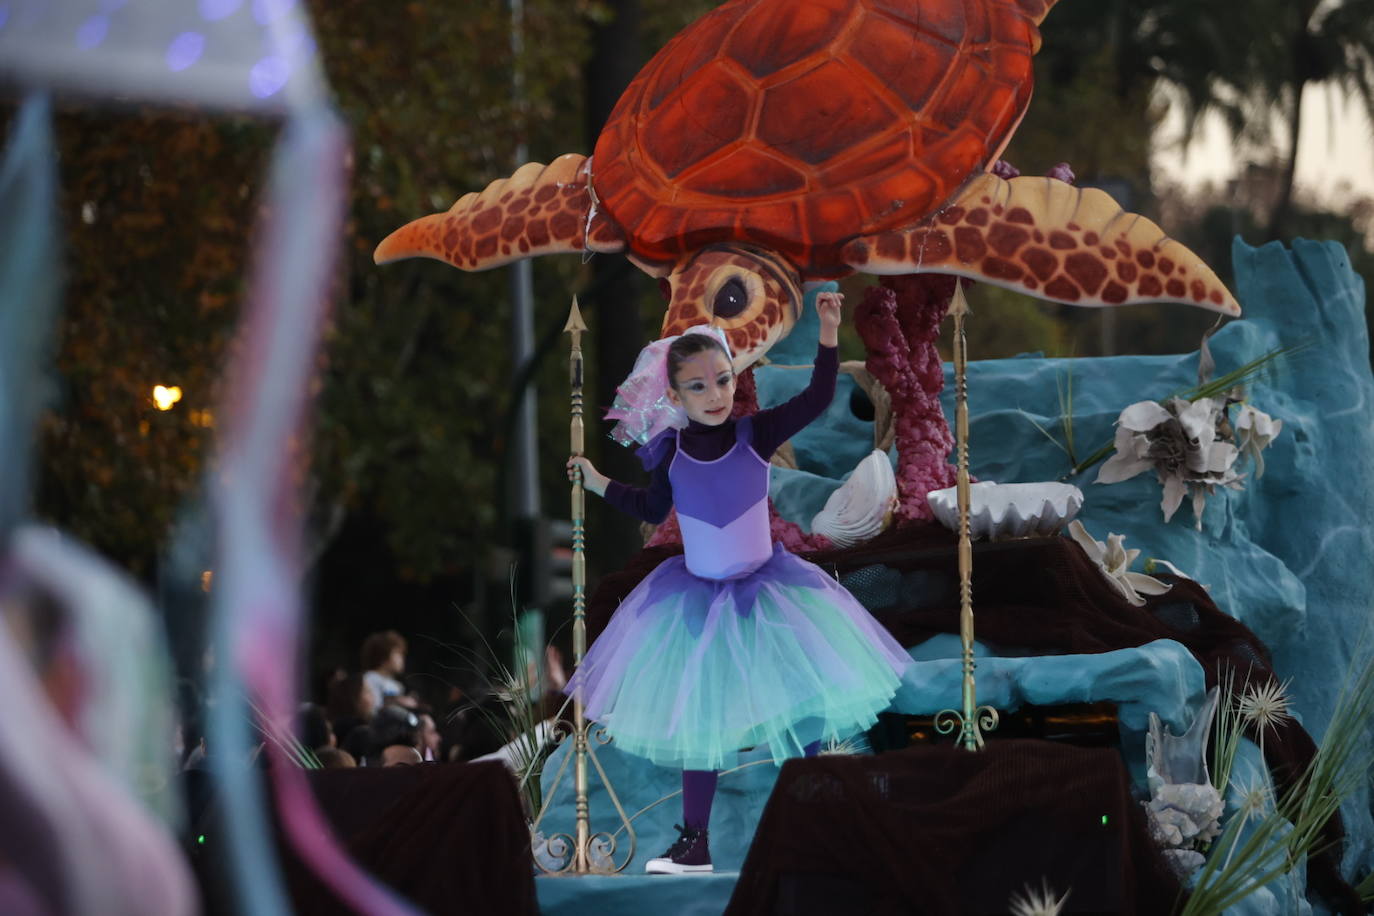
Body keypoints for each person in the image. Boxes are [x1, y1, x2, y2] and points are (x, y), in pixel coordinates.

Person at [565, 291, 909, 875]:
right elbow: (648, 502)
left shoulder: (755, 433)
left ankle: (819, 827)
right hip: (697, 602)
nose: (716, 394)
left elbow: (818, 396)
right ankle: (694, 844)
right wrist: (598, 484)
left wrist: (828, 331)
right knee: (702, 725)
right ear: (674, 396)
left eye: (723, 380)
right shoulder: (670, 455)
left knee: (804, 715)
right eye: (697, 387)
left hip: (769, 593)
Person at [360, 630, 416, 709]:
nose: (402, 659)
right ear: (383, 655)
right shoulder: (370, 678)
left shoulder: (397, 685)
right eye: (398, 654)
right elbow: (372, 709)